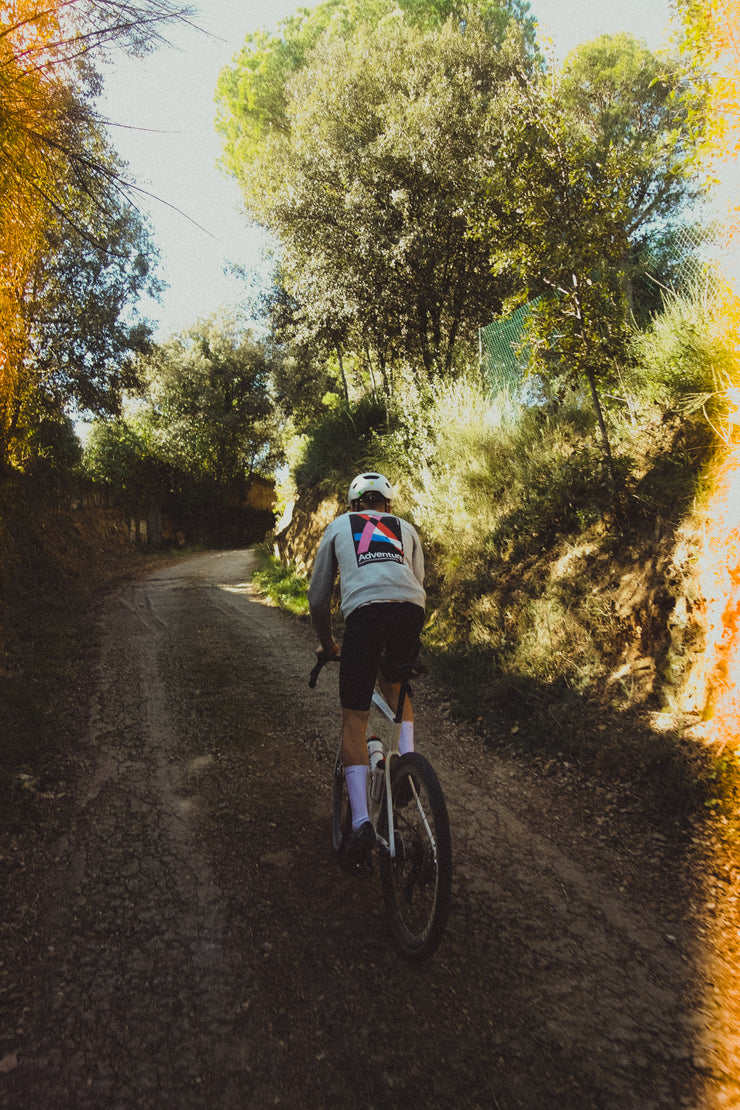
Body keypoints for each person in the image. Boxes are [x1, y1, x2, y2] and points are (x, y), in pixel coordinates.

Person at [308, 472, 426, 872]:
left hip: (365, 616)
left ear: (353, 506)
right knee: (396, 687)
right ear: (388, 506)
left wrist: (327, 642)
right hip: (410, 610)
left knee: (355, 718)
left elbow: (318, 598)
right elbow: (415, 582)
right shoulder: (405, 528)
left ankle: (360, 823)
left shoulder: (340, 526)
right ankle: (408, 767)